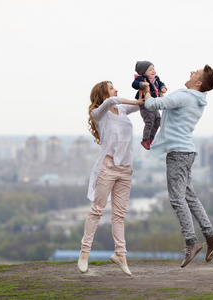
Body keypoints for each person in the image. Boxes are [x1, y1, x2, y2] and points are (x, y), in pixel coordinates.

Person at [143, 65, 213, 268]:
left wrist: (146, 89)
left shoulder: (185, 96)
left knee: (177, 198)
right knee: (189, 196)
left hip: (178, 153)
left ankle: (192, 242)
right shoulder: (197, 101)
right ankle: (211, 235)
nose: (190, 73)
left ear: (198, 83)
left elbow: (153, 105)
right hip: (187, 152)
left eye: (195, 74)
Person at [77, 81, 143, 276]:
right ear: (103, 93)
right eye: (112, 87)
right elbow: (115, 100)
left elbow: (144, 103)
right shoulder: (99, 113)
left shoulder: (121, 110)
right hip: (108, 167)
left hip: (125, 169)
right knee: (97, 211)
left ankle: (120, 255)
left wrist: (147, 87)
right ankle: (84, 253)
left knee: (119, 215)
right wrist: (137, 101)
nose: (116, 90)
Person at [132, 60, 167, 150]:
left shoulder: (156, 78)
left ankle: (151, 138)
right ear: (144, 72)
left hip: (154, 103)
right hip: (145, 103)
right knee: (150, 121)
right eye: (150, 69)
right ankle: (145, 139)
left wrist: (163, 88)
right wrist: (142, 84)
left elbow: (161, 83)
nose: (153, 71)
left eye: (153, 68)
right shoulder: (141, 78)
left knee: (158, 120)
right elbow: (134, 84)